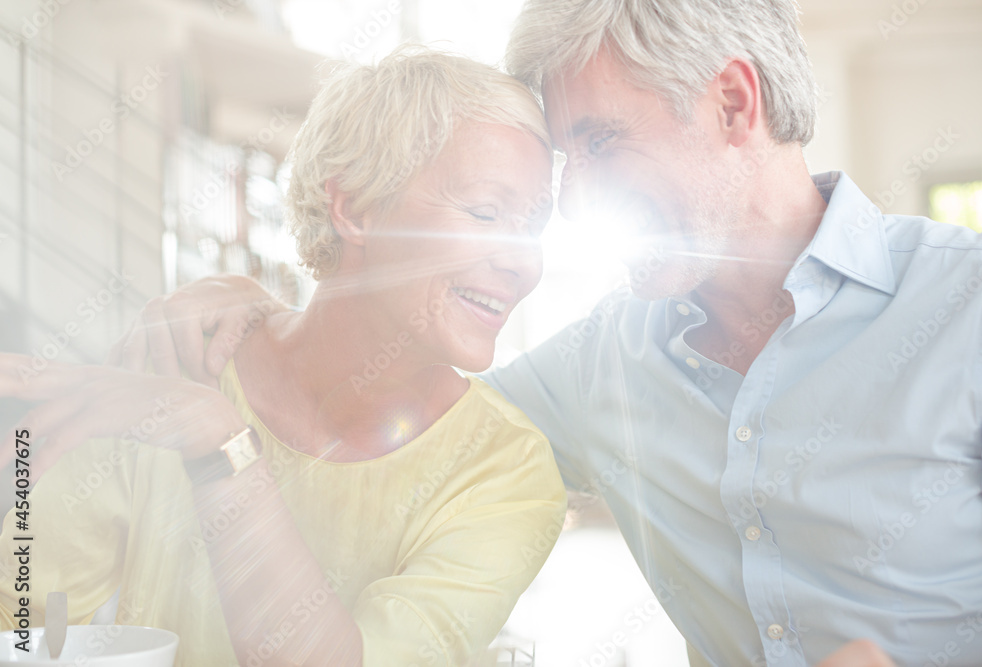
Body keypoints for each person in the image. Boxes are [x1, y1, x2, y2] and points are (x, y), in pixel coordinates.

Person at [121, 1, 982, 666]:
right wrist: (252, 310)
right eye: (563, 167)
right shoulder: (602, 361)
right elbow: (407, 412)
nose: (577, 201)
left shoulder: (978, 309)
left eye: (603, 143)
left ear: (734, 103)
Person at [0, 48, 566, 666]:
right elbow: (21, 619)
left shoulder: (505, 470)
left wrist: (223, 447)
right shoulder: (176, 365)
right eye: (486, 212)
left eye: (533, 227)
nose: (523, 262)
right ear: (354, 207)